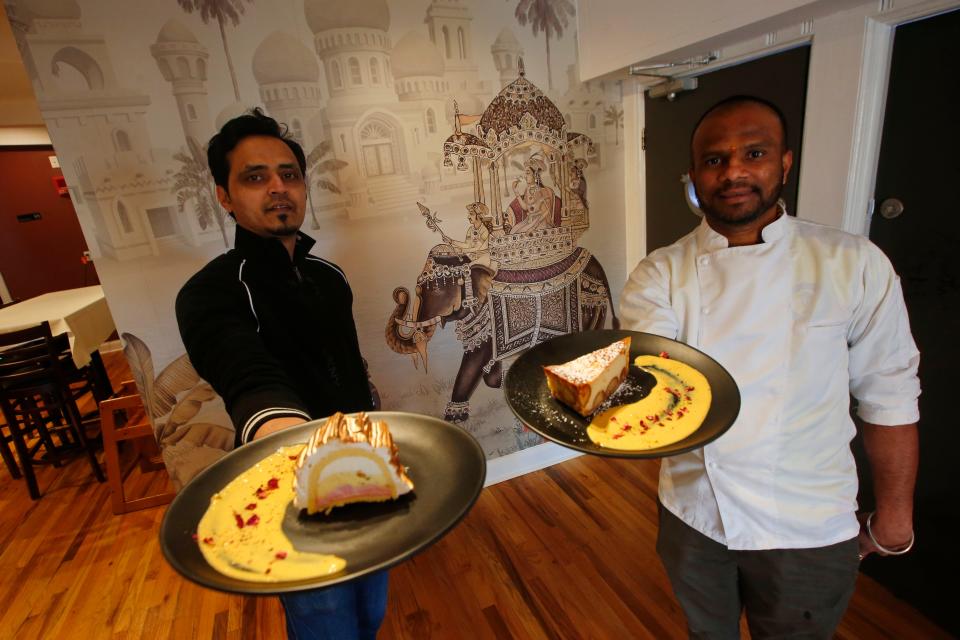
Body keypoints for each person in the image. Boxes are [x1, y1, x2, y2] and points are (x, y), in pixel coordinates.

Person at [619, 95, 920, 639]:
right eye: (714, 159)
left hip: (808, 520)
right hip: (694, 513)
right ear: (693, 175)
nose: (733, 170)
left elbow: (889, 393)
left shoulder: (853, 263)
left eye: (753, 153)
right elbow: (654, 383)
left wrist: (895, 518)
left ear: (783, 164)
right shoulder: (659, 273)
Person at [176, 108, 386, 640]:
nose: (278, 188)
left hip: (365, 472)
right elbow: (247, 374)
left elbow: (347, 369)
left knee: (371, 611)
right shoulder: (209, 293)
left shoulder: (329, 277)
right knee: (326, 625)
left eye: (289, 174)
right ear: (224, 196)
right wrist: (296, 446)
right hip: (292, 492)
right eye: (254, 177)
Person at [508, 154, 560, 233]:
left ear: (535, 174)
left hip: (540, 223)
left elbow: (546, 212)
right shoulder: (527, 190)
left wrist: (533, 227)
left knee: (520, 233)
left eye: (528, 173)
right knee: (512, 232)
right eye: (525, 173)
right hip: (529, 221)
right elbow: (525, 207)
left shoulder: (543, 191)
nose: (525, 176)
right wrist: (516, 192)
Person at [441, 201, 494, 268]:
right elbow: (467, 245)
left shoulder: (484, 231)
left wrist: (461, 250)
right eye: (469, 214)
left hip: (483, 259)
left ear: (479, 215)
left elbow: (476, 248)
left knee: (465, 268)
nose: (468, 217)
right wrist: (451, 241)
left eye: (471, 214)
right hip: (473, 257)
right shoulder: (470, 229)